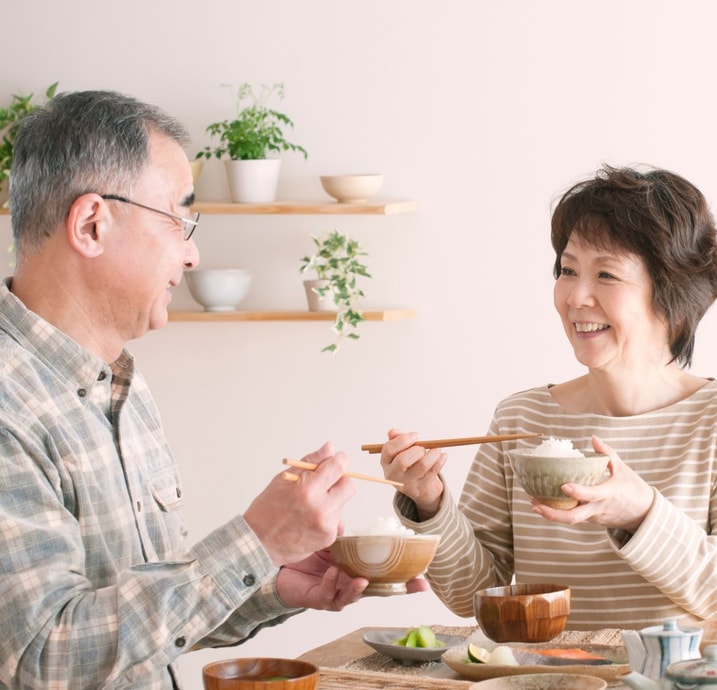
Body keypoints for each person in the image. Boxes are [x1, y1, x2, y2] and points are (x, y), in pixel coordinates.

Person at [0, 89, 426, 689]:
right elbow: (43, 656)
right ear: (92, 224)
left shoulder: (120, 382)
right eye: (179, 217)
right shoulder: (8, 405)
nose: (193, 254)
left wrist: (271, 576)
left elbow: (135, 626)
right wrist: (255, 542)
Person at [379, 165, 717, 629]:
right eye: (568, 270)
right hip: (542, 679)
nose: (576, 297)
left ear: (673, 292)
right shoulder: (521, 417)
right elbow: (471, 593)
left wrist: (641, 513)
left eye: (606, 274)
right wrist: (429, 502)